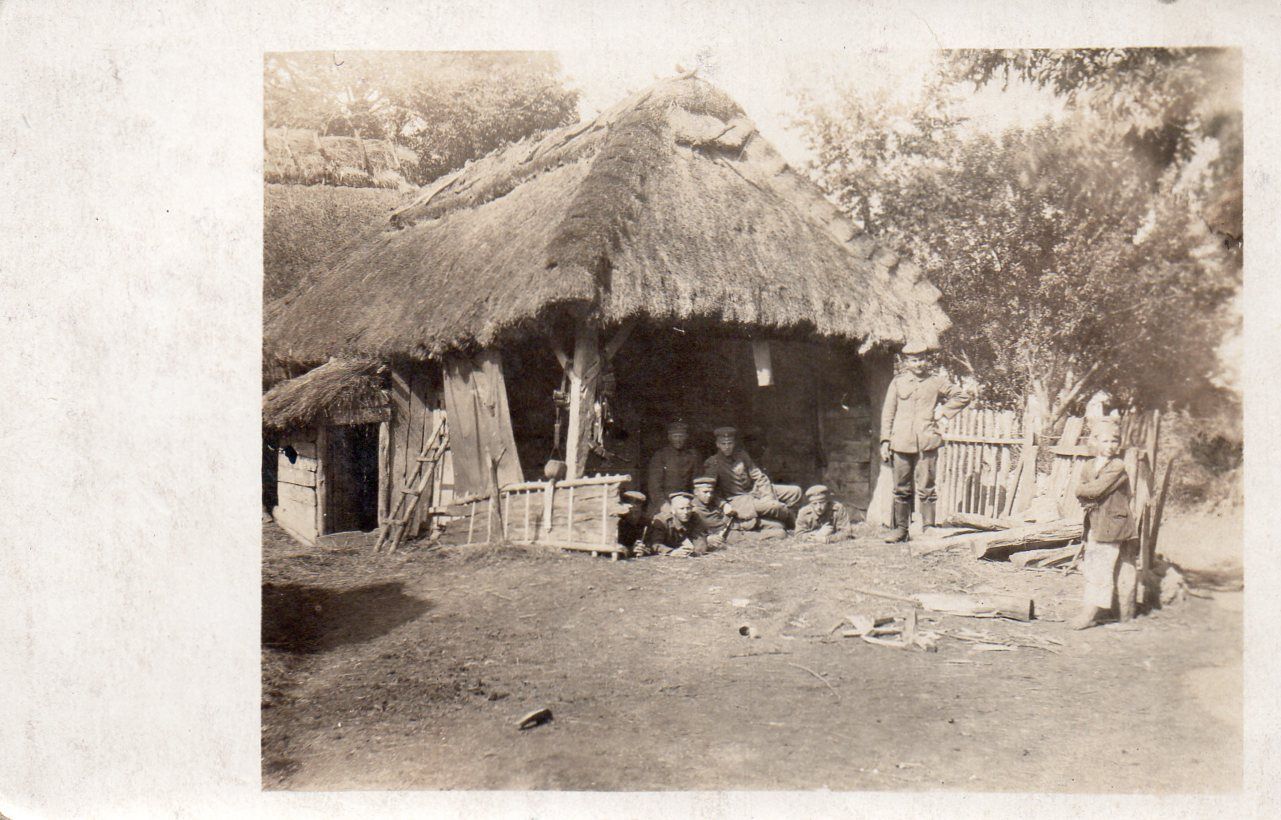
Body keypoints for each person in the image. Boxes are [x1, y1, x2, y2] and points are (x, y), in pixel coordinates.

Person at [879, 341, 973, 542]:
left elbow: (963, 396)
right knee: (901, 488)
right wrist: (885, 440)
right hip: (901, 442)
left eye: (922, 359)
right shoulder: (898, 382)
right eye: (914, 360)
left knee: (927, 487)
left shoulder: (936, 381)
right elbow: (888, 413)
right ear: (907, 362)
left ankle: (928, 528)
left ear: (927, 360)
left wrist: (944, 411)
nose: (919, 364)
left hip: (927, 441)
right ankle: (901, 530)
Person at [1071, 422, 1138, 630]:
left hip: (1113, 523)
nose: (1110, 445)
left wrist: (1084, 491)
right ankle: (1093, 608)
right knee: (1092, 565)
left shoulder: (1117, 466)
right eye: (1106, 440)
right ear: (1095, 441)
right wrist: (1085, 492)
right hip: (1095, 522)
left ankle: (1091, 613)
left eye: (1115, 440)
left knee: (1101, 567)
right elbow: (1082, 492)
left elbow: (1095, 490)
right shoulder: (1089, 465)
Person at [702, 426, 803, 530]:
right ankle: (794, 526)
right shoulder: (713, 463)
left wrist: (768, 495)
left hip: (755, 491)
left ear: (734, 443)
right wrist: (723, 505)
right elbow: (710, 490)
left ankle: (789, 522)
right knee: (776, 507)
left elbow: (759, 476)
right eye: (723, 444)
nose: (727, 447)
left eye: (730, 443)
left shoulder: (742, 455)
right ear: (717, 444)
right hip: (739, 501)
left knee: (796, 492)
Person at [646, 420, 702, 516]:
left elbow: (698, 483)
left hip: (687, 500)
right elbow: (654, 486)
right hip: (665, 500)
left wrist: (693, 502)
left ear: (686, 437)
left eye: (681, 436)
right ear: (669, 437)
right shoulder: (660, 456)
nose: (678, 440)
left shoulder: (693, 456)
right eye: (675, 436)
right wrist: (663, 505)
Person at [638, 492, 709, 557]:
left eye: (688, 508)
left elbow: (700, 538)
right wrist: (672, 552)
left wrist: (694, 552)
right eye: (681, 509)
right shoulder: (662, 520)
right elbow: (655, 544)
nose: (686, 512)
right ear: (673, 510)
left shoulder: (694, 517)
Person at [617, 490, 650, 555]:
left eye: (636, 511)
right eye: (630, 510)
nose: (634, 515)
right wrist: (631, 550)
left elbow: (650, 544)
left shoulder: (645, 522)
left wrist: (644, 549)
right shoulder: (618, 521)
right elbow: (616, 545)